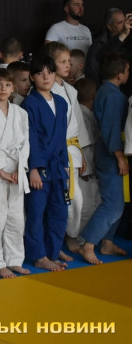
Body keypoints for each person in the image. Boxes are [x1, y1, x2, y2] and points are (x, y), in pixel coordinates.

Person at [80, 52, 130, 264]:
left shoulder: (106, 92)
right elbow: (110, 129)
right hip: (111, 154)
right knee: (113, 204)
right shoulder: (113, 96)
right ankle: (88, 244)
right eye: (127, 71)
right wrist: (119, 156)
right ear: (120, 75)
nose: (128, 74)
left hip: (109, 151)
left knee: (117, 202)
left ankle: (107, 242)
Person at [0, 69, 30, 278]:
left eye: (7, 85)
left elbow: (26, 143)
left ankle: (14, 260)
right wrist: (1, 170)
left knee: (16, 219)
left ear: (13, 88)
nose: (3, 89)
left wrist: (20, 168)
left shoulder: (21, 113)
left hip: (17, 170)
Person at [20, 55, 69, 272]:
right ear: (32, 77)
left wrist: (65, 163)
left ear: (55, 74)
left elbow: (62, 136)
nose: (46, 77)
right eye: (40, 73)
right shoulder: (29, 104)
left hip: (58, 166)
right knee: (36, 213)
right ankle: (39, 255)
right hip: (39, 166)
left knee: (59, 212)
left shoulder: (61, 102)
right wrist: (34, 169)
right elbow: (30, 138)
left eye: (49, 72)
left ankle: (52, 252)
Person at [44, 42, 91, 257]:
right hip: (56, 153)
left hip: (72, 150)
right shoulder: (46, 91)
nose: (68, 65)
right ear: (51, 64)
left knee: (76, 200)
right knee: (64, 200)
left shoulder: (70, 90)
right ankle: (60, 241)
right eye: (63, 61)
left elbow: (77, 125)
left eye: (69, 61)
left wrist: (82, 154)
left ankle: (68, 237)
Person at [74, 78, 101, 243]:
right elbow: (83, 145)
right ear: (94, 96)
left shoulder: (86, 113)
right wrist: (87, 170)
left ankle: (84, 238)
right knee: (86, 206)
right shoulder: (82, 115)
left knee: (91, 204)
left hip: (88, 167)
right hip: (85, 169)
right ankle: (80, 239)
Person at [86, 8, 125, 81]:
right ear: (109, 26)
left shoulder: (128, 41)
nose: (124, 25)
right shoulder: (99, 45)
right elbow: (92, 72)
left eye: (125, 21)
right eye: (120, 22)